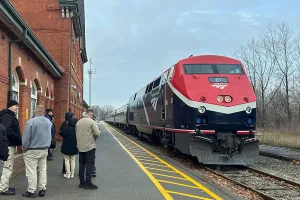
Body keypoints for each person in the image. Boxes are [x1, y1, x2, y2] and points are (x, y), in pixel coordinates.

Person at [21, 105, 52, 198]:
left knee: (31, 170)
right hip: (44, 149)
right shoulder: (48, 122)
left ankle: (31, 190)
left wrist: (24, 148)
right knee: (42, 169)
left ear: (35, 112)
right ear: (42, 112)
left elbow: (26, 138)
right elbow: (50, 134)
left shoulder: (30, 122)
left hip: (32, 150)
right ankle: (42, 188)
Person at [0, 100, 22, 196]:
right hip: (8, 145)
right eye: (15, 106)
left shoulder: (7, 115)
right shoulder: (7, 117)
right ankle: (3, 188)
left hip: (7, 144)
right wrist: (18, 138)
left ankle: (4, 185)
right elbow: (7, 131)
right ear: (10, 106)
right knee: (7, 167)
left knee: (6, 166)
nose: (17, 108)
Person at [76, 110, 100, 189]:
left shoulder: (78, 122)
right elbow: (97, 133)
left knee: (82, 164)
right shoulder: (92, 122)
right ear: (91, 115)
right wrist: (93, 137)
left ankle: (81, 183)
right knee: (89, 164)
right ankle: (88, 183)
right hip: (90, 147)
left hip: (80, 147)